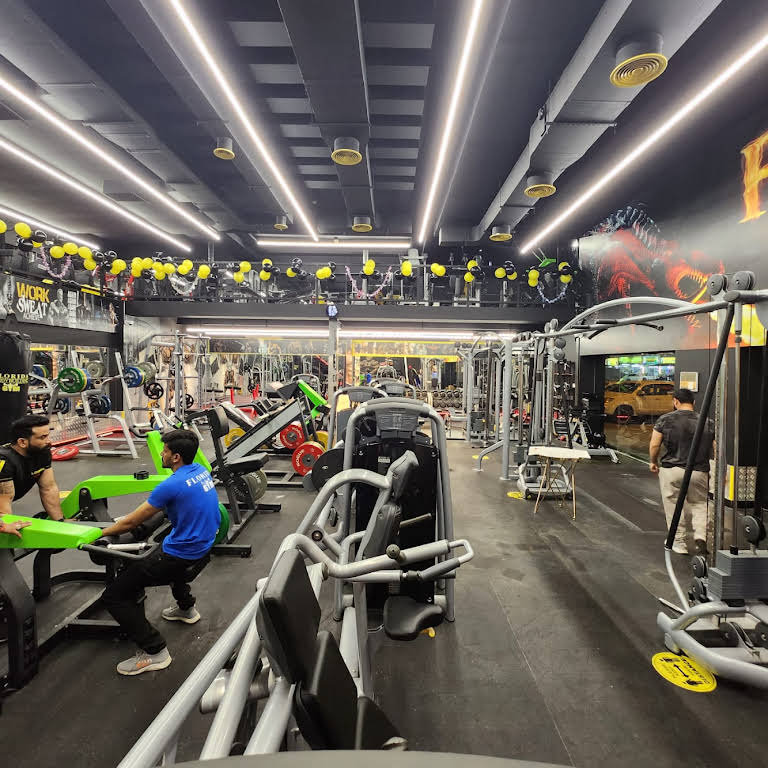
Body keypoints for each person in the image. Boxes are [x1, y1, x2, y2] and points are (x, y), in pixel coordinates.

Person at [98, 429, 220, 676]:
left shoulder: (171, 485)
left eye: (164, 451)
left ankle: (155, 651)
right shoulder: (200, 470)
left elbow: (131, 523)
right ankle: (186, 609)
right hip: (205, 546)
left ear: (175, 457)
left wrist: (99, 533)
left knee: (114, 596)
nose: (161, 454)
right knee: (167, 543)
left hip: (181, 554)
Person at [649, 388, 714, 555]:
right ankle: (701, 535)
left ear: (675, 401)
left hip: (672, 469)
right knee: (700, 503)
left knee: (673, 504)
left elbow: (655, 444)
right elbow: (715, 448)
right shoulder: (707, 422)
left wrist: (653, 461)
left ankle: (678, 542)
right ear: (694, 403)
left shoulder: (665, 419)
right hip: (699, 471)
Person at [0, 415, 65, 537]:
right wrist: (6, 528)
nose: (49, 441)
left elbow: (48, 488)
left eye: (48, 435)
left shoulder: (42, 452)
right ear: (22, 442)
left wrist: (60, 523)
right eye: (42, 437)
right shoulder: (4, 461)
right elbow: (3, 507)